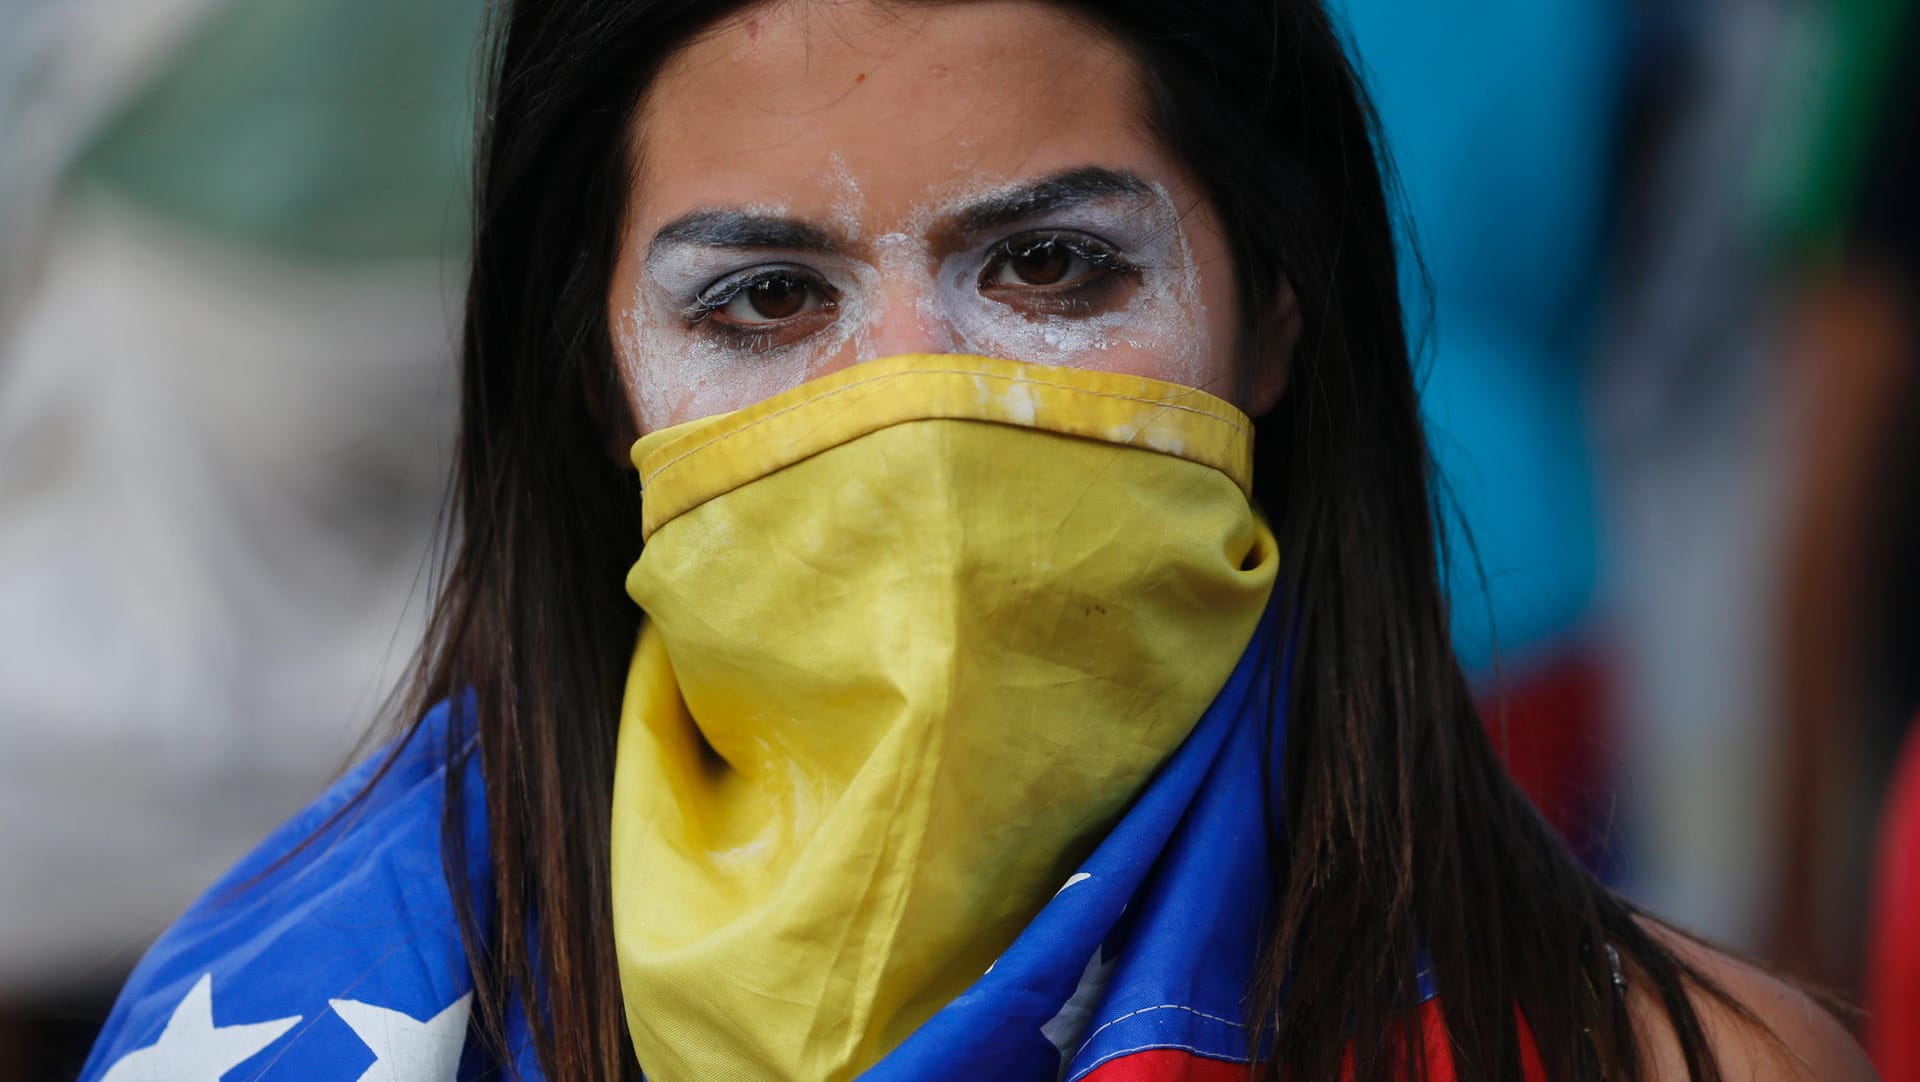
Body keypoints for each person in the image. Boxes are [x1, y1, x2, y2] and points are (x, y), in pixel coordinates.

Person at [80, 1, 1878, 1080]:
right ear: (594, 382)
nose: (913, 408)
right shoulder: (294, 1032)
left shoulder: (1666, 1065)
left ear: (1276, 314)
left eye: (1051, 266)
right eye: (768, 297)